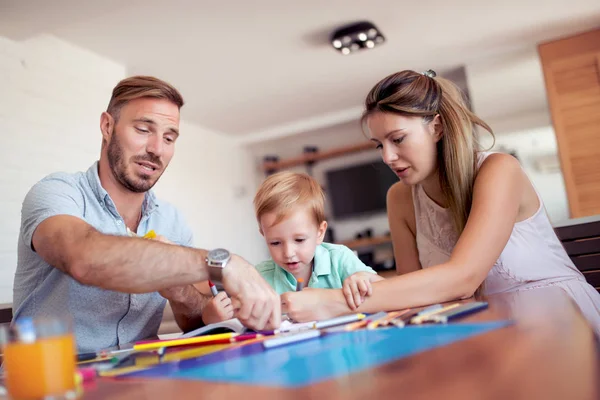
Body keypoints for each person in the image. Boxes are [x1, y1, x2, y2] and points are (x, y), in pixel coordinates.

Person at [281, 69, 600, 334]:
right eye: (379, 145)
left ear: (437, 127)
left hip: (563, 323)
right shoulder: (400, 198)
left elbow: (463, 278)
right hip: (482, 332)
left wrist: (336, 300)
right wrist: (368, 286)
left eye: (398, 139)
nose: (388, 157)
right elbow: (415, 296)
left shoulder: (499, 170)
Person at [12, 76, 280, 352]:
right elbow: (83, 258)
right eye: (143, 129)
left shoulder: (172, 221)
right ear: (107, 126)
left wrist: (180, 291)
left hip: (140, 375)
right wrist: (225, 264)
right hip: (53, 379)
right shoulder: (57, 193)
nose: (157, 149)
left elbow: (195, 321)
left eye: (168, 137)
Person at [254, 171, 382, 298]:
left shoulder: (340, 259)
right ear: (264, 236)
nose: (288, 253)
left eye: (299, 240)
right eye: (275, 243)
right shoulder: (259, 277)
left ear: (320, 233)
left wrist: (366, 278)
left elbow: (386, 291)